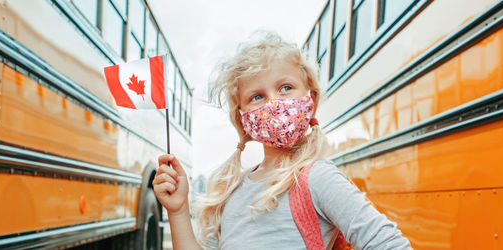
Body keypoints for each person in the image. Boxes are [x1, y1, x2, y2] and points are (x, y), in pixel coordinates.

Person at [153, 31, 412, 250]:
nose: (274, 104)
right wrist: (177, 211)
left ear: (311, 100)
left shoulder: (317, 179)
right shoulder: (230, 190)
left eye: (286, 88)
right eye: (257, 97)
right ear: (243, 120)